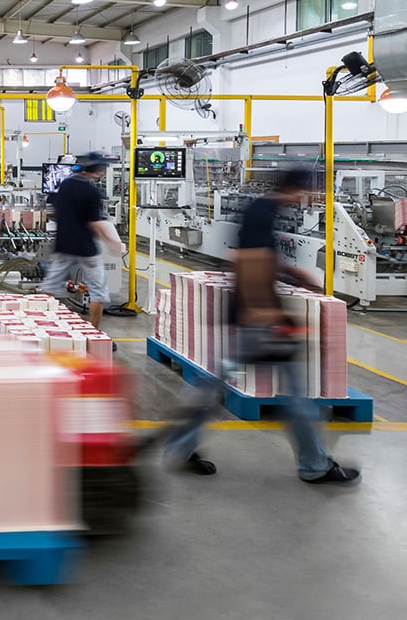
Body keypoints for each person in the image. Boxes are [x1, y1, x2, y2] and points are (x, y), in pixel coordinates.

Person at [162, 168, 360, 484]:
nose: (305, 200)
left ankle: (180, 446)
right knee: (290, 396)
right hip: (258, 320)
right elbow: (248, 260)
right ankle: (314, 466)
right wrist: (261, 312)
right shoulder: (263, 212)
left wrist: (294, 272)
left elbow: (256, 256)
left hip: (255, 318)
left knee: (215, 382)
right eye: (304, 193)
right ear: (294, 189)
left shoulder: (262, 209)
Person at [40, 152, 126, 331]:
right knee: (98, 291)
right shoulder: (92, 192)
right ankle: (93, 332)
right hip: (85, 249)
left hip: (63, 245)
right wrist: (112, 242)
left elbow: (55, 212)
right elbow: (94, 223)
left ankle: (41, 326)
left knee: (50, 286)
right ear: (98, 170)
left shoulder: (65, 185)